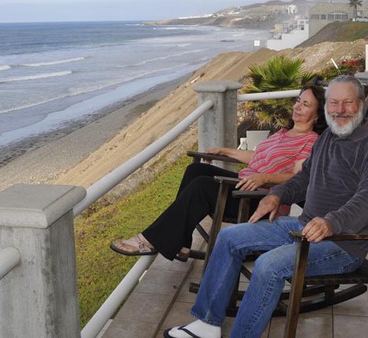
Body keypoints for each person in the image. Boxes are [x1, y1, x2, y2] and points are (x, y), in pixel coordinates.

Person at [163, 75, 368, 338]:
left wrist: (331, 222)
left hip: (342, 242)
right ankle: (207, 324)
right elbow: (303, 178)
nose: (340, 110)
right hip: (303, 226)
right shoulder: (328, 138)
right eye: (334, 103)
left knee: (268, 266)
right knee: (229, 237)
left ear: (362, 103)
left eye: (347, 102)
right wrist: (277, 195)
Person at [110, 84, 328, 262]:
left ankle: (149, 240)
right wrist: (224, 151)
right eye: (298, 100)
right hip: (245, 185)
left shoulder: (310, 141)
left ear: (317, 115)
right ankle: (182, 243)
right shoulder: (283, 132)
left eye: (306, 104)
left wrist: (265, 178)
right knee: (195, 170)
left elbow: (299, 177)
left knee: (202, 186)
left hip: (259, 200)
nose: (297, 106)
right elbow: (257, 158)